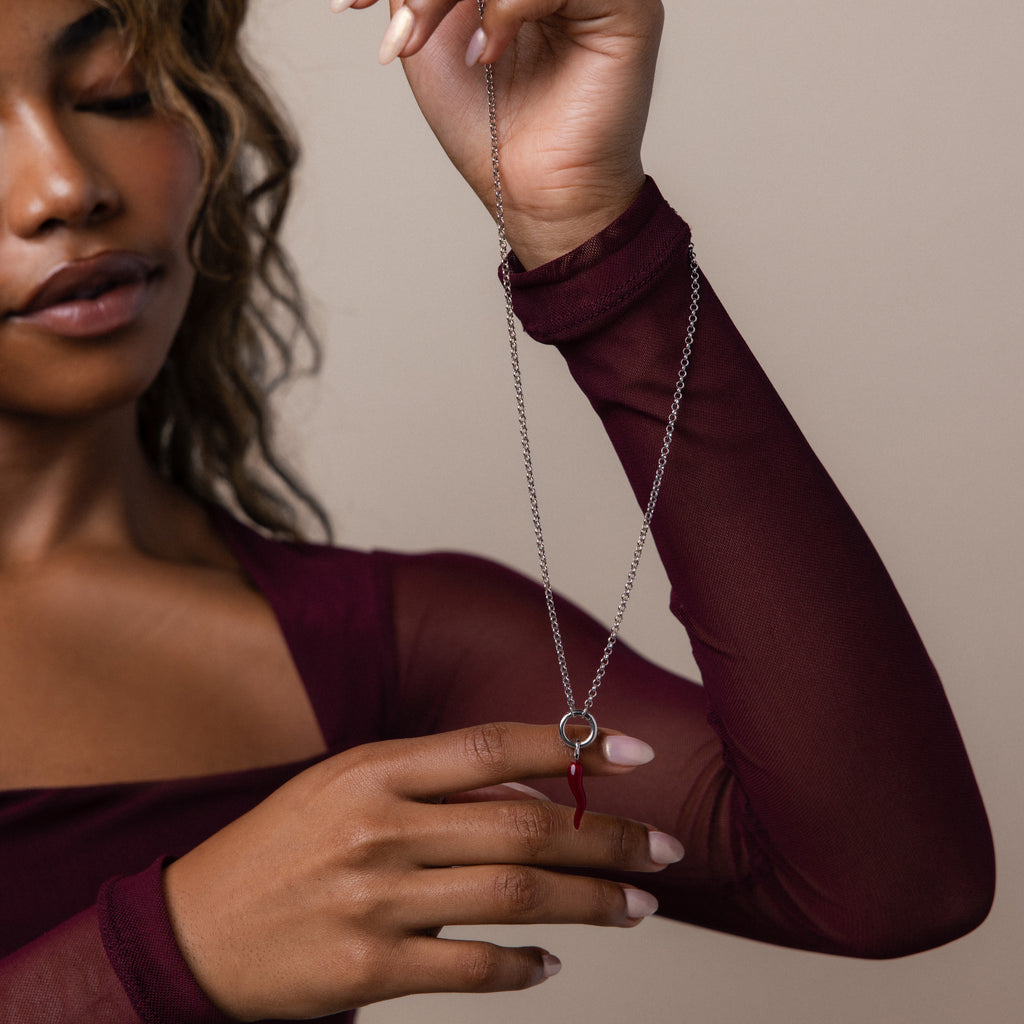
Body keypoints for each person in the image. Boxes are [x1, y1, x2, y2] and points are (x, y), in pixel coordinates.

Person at [0, 0, 995, 1021]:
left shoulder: (371, 639)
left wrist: (590, 232)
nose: (67, 186)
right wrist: (169, 954)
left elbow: (894, 881)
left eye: (119, 93)